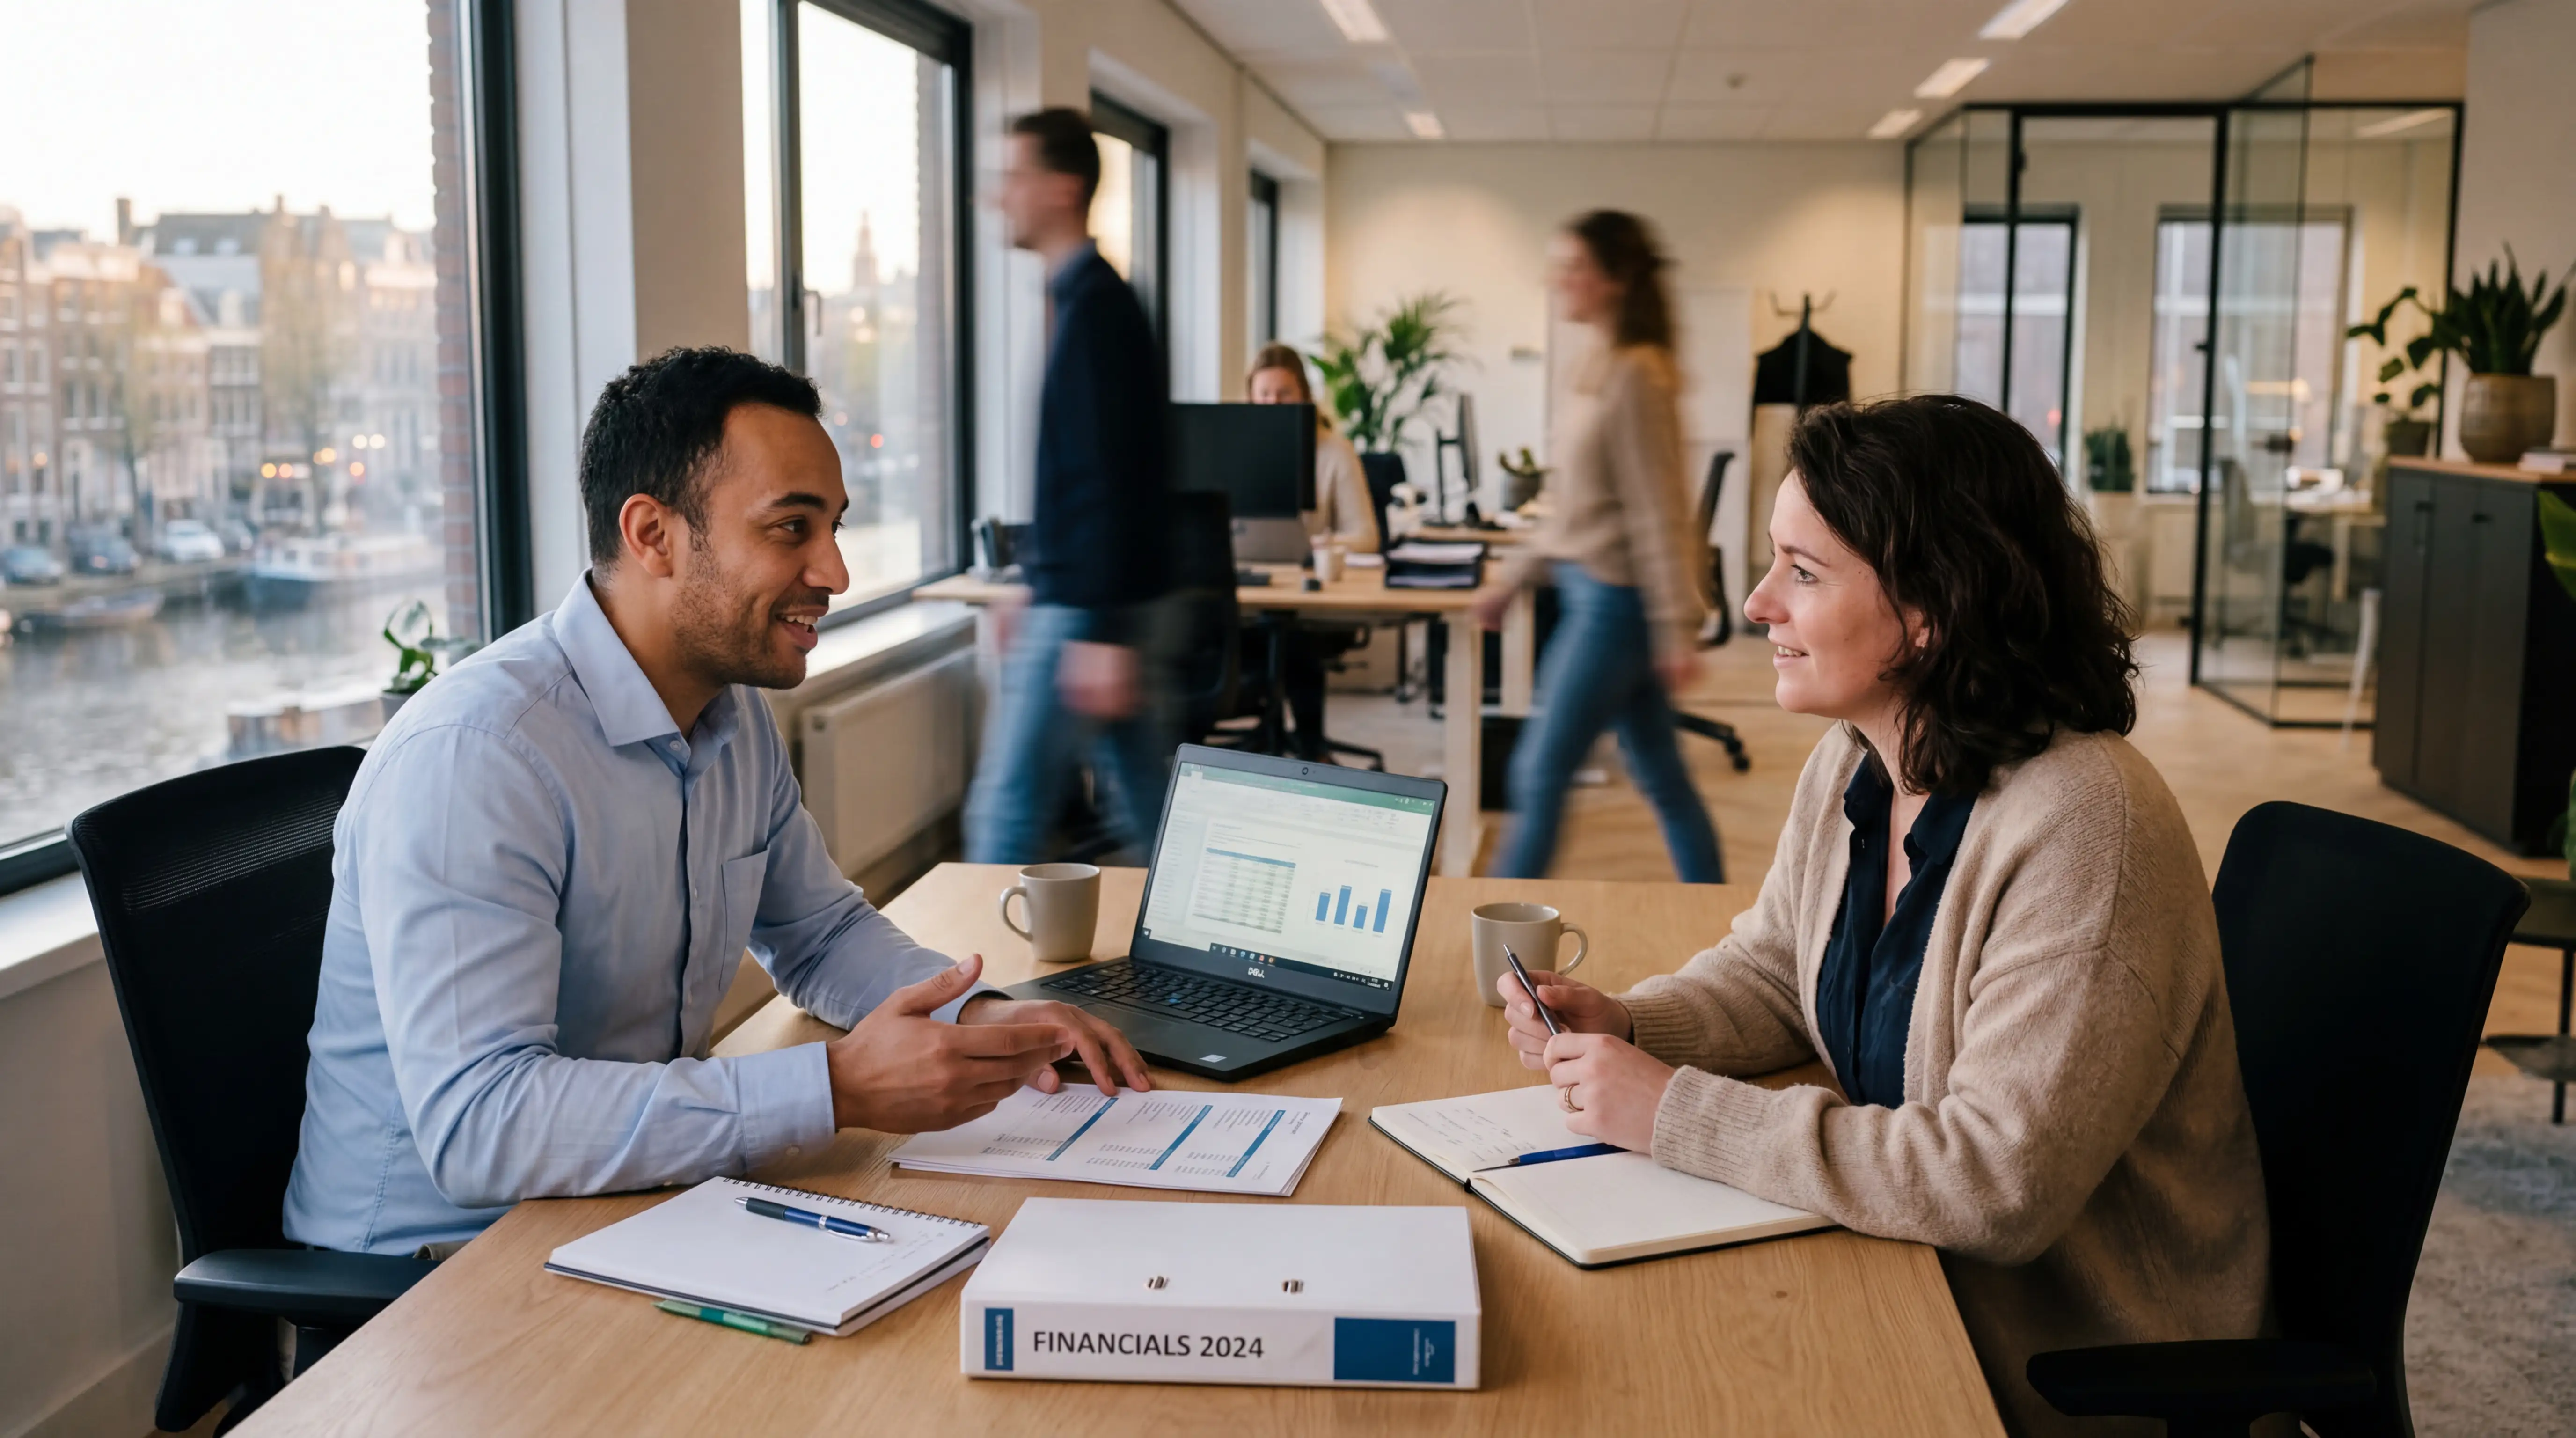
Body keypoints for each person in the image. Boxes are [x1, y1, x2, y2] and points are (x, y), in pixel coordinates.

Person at [1496, 394, 2268, 1438]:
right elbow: (1778, 970)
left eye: (1802, 573)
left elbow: (1993, 1183)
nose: (1761, 602)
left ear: (1927, 611)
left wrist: (1671, 1110)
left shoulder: (2088, 828)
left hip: (2059, 1360)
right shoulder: (1859, 759)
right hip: (1901, 1270)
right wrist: (1633, 1025)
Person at [284, 347, 1149, 1258]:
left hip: (621, 1206)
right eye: (791, 530)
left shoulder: (724, 714)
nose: (836, 572)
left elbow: (819, 936)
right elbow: (482, 1127)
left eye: (836, 529)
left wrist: (979, 1023)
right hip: (427, 1282)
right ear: (653, 535)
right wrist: (837, 1088)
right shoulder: (478, 758)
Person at [1472, 210, 1721, 883]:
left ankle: (1498, 942)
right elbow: (1570, 510)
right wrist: (1512, 579)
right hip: (1599, 596)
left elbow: (1659, 510)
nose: (1560, 279)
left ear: (1614, 280)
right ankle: (1724, 917)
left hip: (1617, 607)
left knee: (1539, 772)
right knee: (1663, 778)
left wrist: (1675, 629)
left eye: (1575, 266)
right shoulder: (1597, 364)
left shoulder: (1639, 373)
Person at [965, 106, 1174, 864]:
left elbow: (1119, 478)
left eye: (1013, 176)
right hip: (1074, 598)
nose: (999, 195)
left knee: (1005, 812)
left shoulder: (1098, 310)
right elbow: (1079, 473)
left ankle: (967, 981)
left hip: (1086, 610)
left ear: (1060, 187)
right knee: (1147, 805)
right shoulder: (1077, 299)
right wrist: (1032, 580)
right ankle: (1205, 946)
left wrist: (1099, 629)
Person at [1245, 343, 1378, 761]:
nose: (1273, 404)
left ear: (1304, 396)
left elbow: (1367, 537)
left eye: (1284, 394)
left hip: (1312, 597)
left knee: (1293, 636)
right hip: (1250, 591)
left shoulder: (1333, 452)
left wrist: (1325, 546)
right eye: (1263, 394)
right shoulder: (1236, 447)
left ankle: (1310, 748)